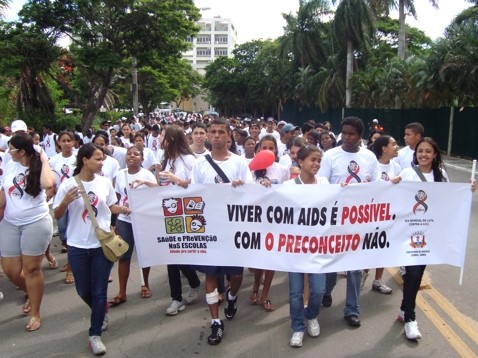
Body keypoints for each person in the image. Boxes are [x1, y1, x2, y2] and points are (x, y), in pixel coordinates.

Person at [394, 137, 475, 340]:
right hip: (406, 233)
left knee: (418, 273)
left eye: (428, 151)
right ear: (416, 153)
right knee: (412, 273)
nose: (423, 155)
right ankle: (411, 319)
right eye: (420, 151)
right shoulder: (407, 173)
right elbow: (391, 198)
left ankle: (404, 309)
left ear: (435, 154)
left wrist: (467, 190)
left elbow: (449, 199)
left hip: (428, 235)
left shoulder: (441, 175)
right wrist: (391, 183)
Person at [53, 143, 127, 355]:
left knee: (99, 290)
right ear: (84, 160)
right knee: (83, 289)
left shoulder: (104, 183)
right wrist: (65, 202)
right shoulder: (68, 185)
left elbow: (111, 206)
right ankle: (99, 311)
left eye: (102, 158)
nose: (101, 162)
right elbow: (57, 215)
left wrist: (122, 209)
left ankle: (95, 334)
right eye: (97, 158)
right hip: (77, 246)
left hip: (101, 246)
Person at [191, 118, 253, 345]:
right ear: (208, 135)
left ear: (229, 136)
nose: (216, 136)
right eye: (213, 132)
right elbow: (194, 195)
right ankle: (215, 322)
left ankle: (232, 296)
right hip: (209, 227)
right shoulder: (200, 164)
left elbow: (251, 193)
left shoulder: (239, 163)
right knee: (211, 275)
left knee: (236, 275)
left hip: (233, 228)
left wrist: (241, 188)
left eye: (221, 132)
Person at [317, 116, 380, 327]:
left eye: (351, 133)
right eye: (343, 132)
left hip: (359, 221)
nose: (346, 137)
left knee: (355, 268)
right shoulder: (330, 155)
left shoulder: (370, 157)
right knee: (331, 265)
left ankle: (352, 309)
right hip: (334, 220)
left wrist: (371, 186)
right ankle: (326, 291)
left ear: (360, 136)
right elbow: (322, 184)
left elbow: (378, 187)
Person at [0, 132, 56, 332]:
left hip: (35, 222)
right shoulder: (9, 165)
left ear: (22, 151)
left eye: (12, 149)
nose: (8, 152)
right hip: (10, 222)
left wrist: (43, 159)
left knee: (31, 269)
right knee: (10, 270)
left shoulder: (40, 166)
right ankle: (32, 293)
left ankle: (35, 311)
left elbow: (49, 184)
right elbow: (3, 193)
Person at [283, 145, 329, 347]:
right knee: (295, 292)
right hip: (295, 248)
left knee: (318, 290)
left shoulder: (325, 183)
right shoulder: (288, 186)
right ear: (300, 162)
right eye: (312, 160)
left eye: (319, 160)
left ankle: (311, 315)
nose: (317, 164)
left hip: (318, 247)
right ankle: (297, 327)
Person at [108, 146, 156, 307]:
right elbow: (117, 198)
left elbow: (157, 192)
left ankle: (145, 284)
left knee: (144, 254)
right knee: (124, 255)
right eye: (129, 154)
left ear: (142, 159)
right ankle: (122, 291)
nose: (132, 156)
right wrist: (114, 221)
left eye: (136, 154)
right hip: (124, 219)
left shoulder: (147, 174)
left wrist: (146, 182)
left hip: (143, 219)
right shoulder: (120, 175)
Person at [248, 135, 289, 313]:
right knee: (258, 260)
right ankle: (256, 284)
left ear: (276, 151)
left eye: (271, 148)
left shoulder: (282, 169)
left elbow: (288, 193)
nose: (267, 150)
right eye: (263, 147)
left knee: (271, 261)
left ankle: (265, 294)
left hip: (275, 221)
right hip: (255, 220)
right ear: (257, 151)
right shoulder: (248, 170)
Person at [360, 135, 402, 294]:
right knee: (368, 246)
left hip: (387, 214)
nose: (397, 147)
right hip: (370, 214)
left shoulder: (396, 167)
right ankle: (363, 275)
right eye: (394, 144)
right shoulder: (372, 165)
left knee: (382, 247)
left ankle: (378, 280)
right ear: (384, 148)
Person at [49, 131, 78, 284]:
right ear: (58, 143)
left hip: (76, 200)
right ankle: (72, 257)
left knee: (72, 232)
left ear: (73, 142)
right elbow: (51, 182)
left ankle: (71, 269)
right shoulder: (53, 161)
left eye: (69, 140)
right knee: (63, 233)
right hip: (60, 201)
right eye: (63, 141)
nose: (66, 143)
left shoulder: (78, 158)